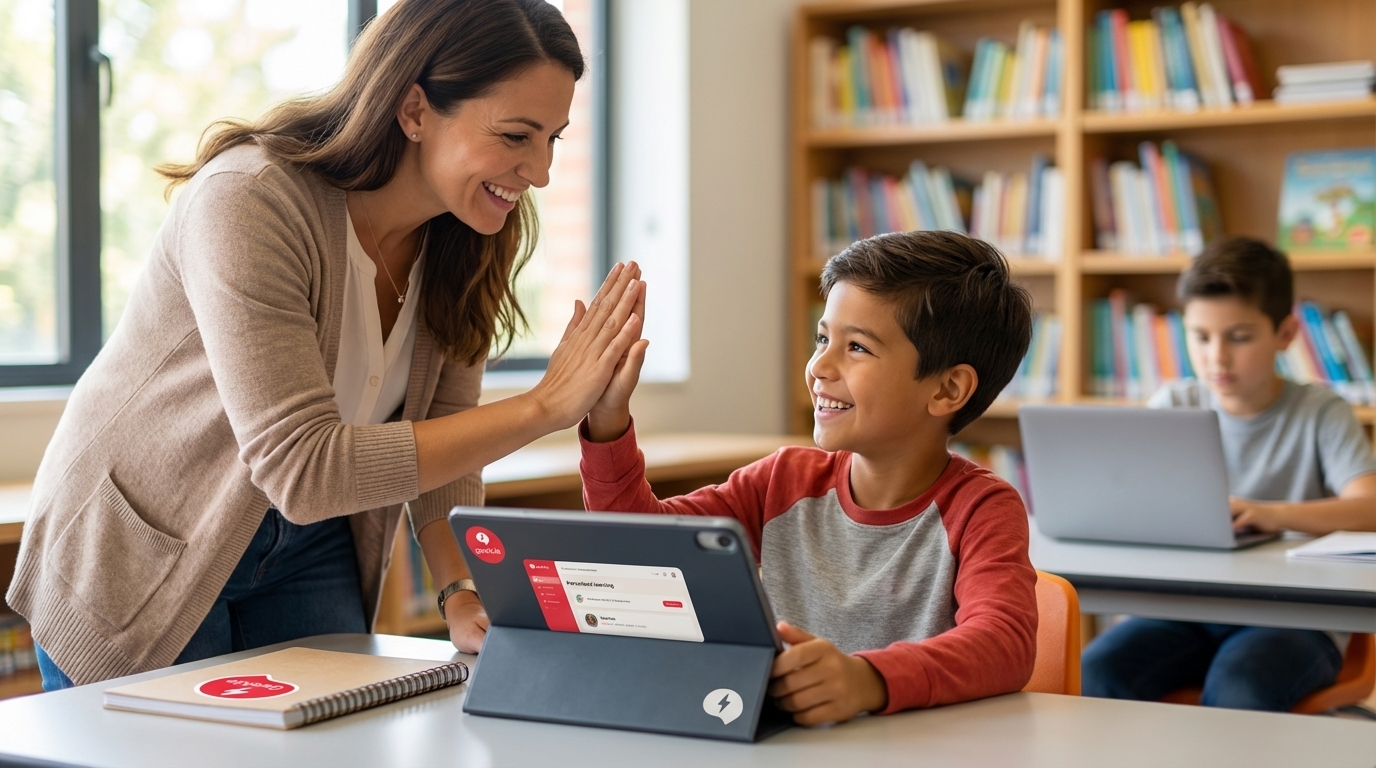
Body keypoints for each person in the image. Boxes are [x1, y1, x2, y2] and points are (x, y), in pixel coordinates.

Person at [9, 0, 645, 690]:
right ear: (414, 110)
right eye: (517, 135)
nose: (541, 172)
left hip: (311, 542)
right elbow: (302, 467)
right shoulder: (250, 199)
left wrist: (457, 588)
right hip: (146, 546)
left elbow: (449, 438)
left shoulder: (471, 233)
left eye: (553, 138)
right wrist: (544, 407)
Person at [577, 230, 1038, 725]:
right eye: (823, 338)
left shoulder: (982, 508)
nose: (819, 366)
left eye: (857, 347)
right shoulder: (782, 481)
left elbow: (1004, 644)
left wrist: (867, 679)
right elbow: (639, 545)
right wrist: (607, 419)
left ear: (948, 389)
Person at [1081, 237, 1376, 711]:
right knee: (1095, 670)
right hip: (1184, 610)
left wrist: (1272, 514)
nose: (1216, 357)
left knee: (1241, 685)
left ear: (1285, 334)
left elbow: (1370, 508)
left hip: (1295, 618)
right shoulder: (1174, 404)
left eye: (1238, 337)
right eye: (1200, 337)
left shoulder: (1320, 411)